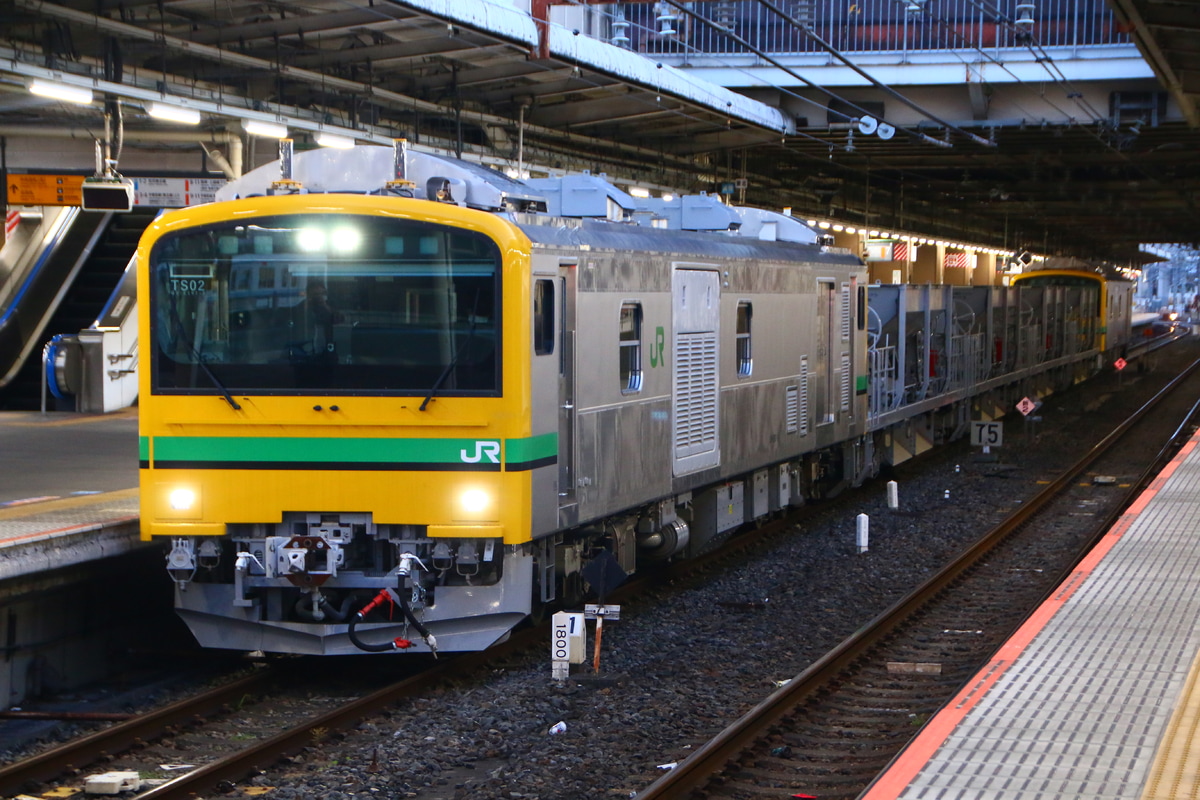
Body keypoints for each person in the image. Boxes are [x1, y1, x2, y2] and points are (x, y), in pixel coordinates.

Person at [289, 280, 343, 360]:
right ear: (308, 295)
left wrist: (325, 306)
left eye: (321, 294)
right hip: (305, 351)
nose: (318, 297)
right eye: (315, 295)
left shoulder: (330, 305)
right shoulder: (301, 307)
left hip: (328, 349)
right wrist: (307, 305)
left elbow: (340, 320)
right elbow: (294, 325)